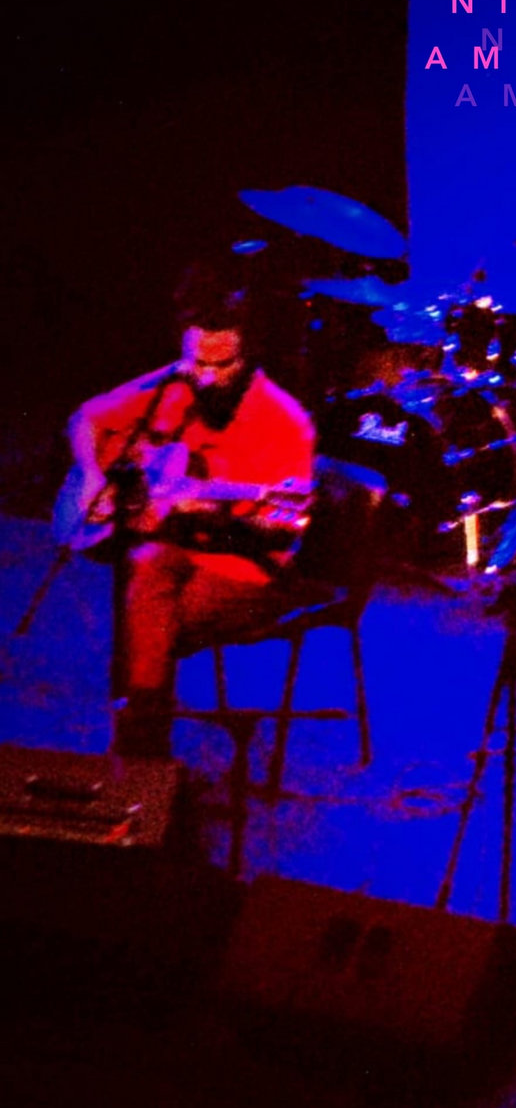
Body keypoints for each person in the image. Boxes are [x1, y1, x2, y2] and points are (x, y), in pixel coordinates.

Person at [66, 265, 316, 758]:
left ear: (247, 356)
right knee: (144, 574)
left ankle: (140, 745)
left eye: (221, 366)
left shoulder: (284, 421)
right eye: (196, 362)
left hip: (247, 563)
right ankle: (143, 745)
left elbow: (282, 530)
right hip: (181, 542)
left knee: (147, 626)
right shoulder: (176, 381)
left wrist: (209, 514)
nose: (205, 376)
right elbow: (86, 418)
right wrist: (94, 476)